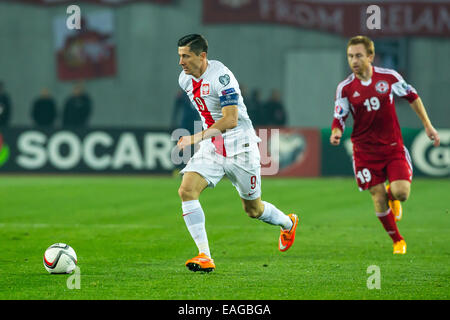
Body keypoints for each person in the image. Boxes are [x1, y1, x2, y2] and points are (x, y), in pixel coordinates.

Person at [176, 34, 299, 273]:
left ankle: (288, 222)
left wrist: (196, 137)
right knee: (186, 189)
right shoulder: (184, 79)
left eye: (185, 56)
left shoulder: (222, 77)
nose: (180, 61)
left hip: (241, 147)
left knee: (253, 210)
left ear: (202, 56)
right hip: (213, 147)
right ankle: (204, 255)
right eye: (179, 55)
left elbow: (231, 119)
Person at [330, 35, 440, 255]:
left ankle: (393, 194)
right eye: (350, 56)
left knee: (401, 193)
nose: (354, 60)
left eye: (359, 55)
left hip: (392, 147)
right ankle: (398, 240)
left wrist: (428, 126)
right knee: (378, 198)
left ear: (370, 56)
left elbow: (413, 97)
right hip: (364, 152)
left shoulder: (389, 77)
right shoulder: (345, 88)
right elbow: (339, 116)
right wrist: (336, 132)